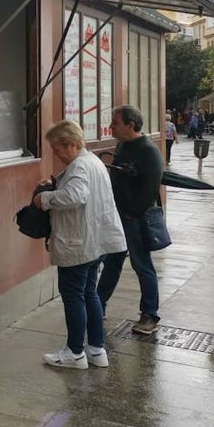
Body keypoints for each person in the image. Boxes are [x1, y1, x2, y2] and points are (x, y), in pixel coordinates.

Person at [32, 120, 126, 370]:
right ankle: (96, 349)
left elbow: (75, 196)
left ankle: (74, 352)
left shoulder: (80, 166)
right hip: (94, 241)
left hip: (79, 242)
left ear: (72, 144)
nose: (55, 154)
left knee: (74, 296)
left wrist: (46, 198)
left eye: (57, 148)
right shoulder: (93, 162)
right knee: (89, 294)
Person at [97, 105, 165, 335]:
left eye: (115, 123)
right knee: (111, 263)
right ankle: (98, 305)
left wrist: (132, 213)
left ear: (131, 125)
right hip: (117, 217)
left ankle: (149, 315)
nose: (111, 127)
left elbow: (150, 189)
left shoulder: (148, 151)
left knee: (142, 265)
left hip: (135, 219)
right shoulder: (122, 146)